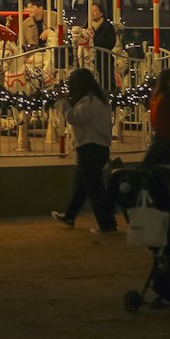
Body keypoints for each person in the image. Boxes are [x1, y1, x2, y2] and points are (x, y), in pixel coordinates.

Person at [51, 67, 117, 234]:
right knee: (81, 186)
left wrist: (63, 102)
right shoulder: (95, 99)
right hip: (94, 147)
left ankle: (107, 224)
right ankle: (70, 216)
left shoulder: (90, 102)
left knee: (95, 189)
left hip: (91, 148)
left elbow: (74, 117)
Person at [143, 68, 170, 166]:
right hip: (167, 140)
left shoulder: (162, 97)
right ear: (167, 81)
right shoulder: (166, 99)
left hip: (164, 139)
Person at [89, 2, 117, 96]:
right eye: (91, 11)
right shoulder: (87, 25)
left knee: (106, 82)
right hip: (90, 59)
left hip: (104, 59)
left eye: (95, 10)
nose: (92, 13)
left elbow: (110, 43)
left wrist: (95, 38)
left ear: (101, 13)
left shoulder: (108, 27)